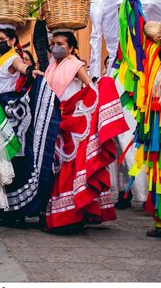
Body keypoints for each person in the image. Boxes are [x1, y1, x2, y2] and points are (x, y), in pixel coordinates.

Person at [90, 0, 161, 209]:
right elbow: (96, 40)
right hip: (117, 75)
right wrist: (96, 77)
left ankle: (156, 192)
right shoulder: (106, 0)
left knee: (157, 130)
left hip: (156, 74)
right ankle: (135, 191)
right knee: (121, 131)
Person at [42, 31, 130, 231]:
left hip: (75, 121)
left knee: (74, 167)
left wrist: (85, 107)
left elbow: (92, 88)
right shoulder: (51, 66)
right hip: (58, 121)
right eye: (53, 43)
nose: (56, 47)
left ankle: (75, 214)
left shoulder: (76, 65)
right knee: (60, 168)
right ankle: (63, 213)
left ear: (71, 47)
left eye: (60, 43)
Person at [0, 24, 56, 226]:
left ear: (13, 40)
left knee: (13, 158)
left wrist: (30, 70)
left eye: (2, 39)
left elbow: (21, 66)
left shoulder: (13, 58)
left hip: (10, 112)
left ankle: (16, 209)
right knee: (0, 159)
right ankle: (1, 206)